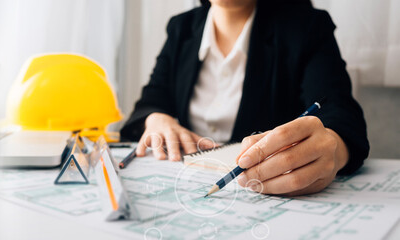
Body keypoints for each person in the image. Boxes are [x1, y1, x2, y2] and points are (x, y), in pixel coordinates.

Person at [120, 0, 369, 196]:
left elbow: (340, 113)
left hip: (261, 194)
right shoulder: (181, 27)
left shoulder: (307, 27)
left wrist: (333, 150)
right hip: (184, 183)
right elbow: (151, 102)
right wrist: (156, 118)